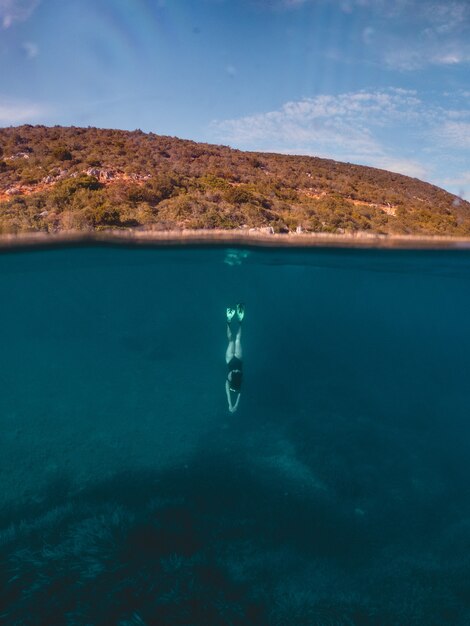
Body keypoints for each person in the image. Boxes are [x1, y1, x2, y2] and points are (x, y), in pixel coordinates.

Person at [225, 303, 244, 413]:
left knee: (235, 340)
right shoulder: (230, 382)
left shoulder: (239, 384)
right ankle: (230, 321)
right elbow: (230, 393)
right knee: (233, 340)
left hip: (237, 360)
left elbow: (238, 395)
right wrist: (231, 405)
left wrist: (232, 405)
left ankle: (238, 321)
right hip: (231, 361)